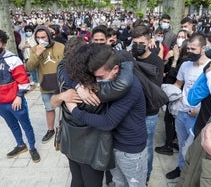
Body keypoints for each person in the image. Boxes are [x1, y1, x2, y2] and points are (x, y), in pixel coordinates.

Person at [65, 44, 148, 187]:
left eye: (100, 77)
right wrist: (78, 86)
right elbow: (65, 70)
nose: (97, 81)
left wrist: (75, 111)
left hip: (130, 150)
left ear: (115, 69)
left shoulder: (130, 86)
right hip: (112, 144)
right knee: (118, 183)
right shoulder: (109, 76)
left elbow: (108, 122)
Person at [0, 29, 40, 162]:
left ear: (4, 44)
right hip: (1, 103)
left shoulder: (13, 60)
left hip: (15, 101)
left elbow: (23, 81)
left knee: (26, 125)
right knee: (12, 125)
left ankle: (32, 147)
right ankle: (20, 145)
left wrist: (19, 96)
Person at [166, 33, 210, 179]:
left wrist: (199, 110)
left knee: (194, 148)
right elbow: (178, 85)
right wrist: (170, 96)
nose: (189, 51)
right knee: (182, 143)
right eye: (188, 48)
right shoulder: (185, 64)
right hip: (181, 112)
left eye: (193, 49)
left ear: (203, 48)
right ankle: (180, 168)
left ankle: (191, 175)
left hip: (198, 116)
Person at [131, 24, 164, 183]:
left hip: (149, 112)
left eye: (141, 43)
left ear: (149, 41)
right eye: (135, 43)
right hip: (132, 110)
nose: (138, 46)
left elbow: (154, 89)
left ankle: (146, 173)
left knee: (147, 146)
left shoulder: (156, 61)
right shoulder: (132, 57)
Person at [26, 25, 65, 144]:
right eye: (38, 37)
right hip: (46, 85)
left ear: (49, 35)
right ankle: (50, 130)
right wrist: (37, 53)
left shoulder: (60, 46)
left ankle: (64, 130)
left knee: (66, 109)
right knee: (49, 109)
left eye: (43, 37)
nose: (41, 39)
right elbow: (29, 67)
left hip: (61, 84)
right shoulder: (34, 49)